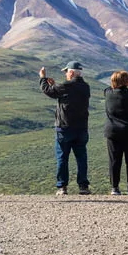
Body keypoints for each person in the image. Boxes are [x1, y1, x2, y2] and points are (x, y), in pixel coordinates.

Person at [39, 60, 91, 196]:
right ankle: (83, 186)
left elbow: (48, 91)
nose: (66, 74)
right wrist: (55, 85)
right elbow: (64, 92)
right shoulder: (86, 87)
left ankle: (62, 186)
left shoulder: (66, 86)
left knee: (62, 157)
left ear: (71, 73)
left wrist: (43, 78)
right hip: (82, 128)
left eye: (67, 72)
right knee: (81, 158)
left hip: (65, 128)